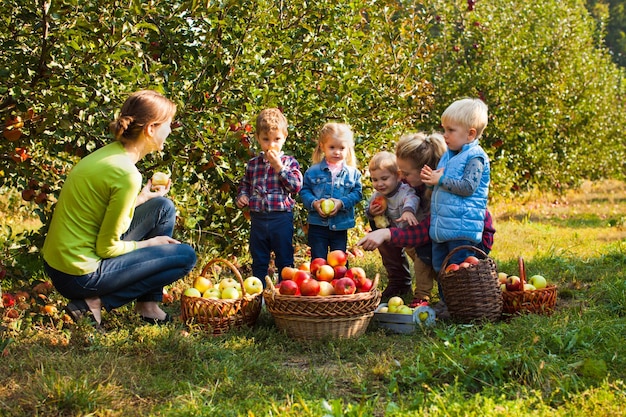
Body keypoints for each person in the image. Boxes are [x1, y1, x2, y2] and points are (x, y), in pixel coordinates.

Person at [42, 90, 197, 327]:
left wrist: (141, 198)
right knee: (185, 256)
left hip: (60, 264)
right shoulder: (127, 174)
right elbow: (107, 247)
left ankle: (148, 305)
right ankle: (93, 303)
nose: (170, 131)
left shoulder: (109, 154)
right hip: (80, 275)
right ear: (151, 129)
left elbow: (98, 212)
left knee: (162, 207)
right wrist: (149, 243)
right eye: (168, 125)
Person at [357, 131, 495, 314]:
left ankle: (454, 296)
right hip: (446, 236)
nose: (402, 178)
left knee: (429, 251)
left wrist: (387, 234)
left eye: (405, 173)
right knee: (383, 224)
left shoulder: (442, 191)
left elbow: (422, 232)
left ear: (425, 170)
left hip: (470, 240)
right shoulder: (416, 186)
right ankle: (404, 281)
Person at [421, 98, 490, 274]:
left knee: (459, 269)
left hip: (462, 228)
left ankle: (459, 302)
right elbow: (442, 186)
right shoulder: (449, 155)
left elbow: (468, 187)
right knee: (441, 268)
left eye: (451, 130)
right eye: (444, 129)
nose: (445, 135)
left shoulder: (475, 157)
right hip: (443, 226)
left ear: (470, 134)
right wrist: (431, 182)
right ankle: (446, 302)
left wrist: (441, 180)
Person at [236, 108, 303, 283]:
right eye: (266, 139)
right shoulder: (253, 164)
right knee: (259, 258)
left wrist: (279, 167)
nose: (271, 144)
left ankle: (284, 293)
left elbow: (295, 186)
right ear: (257, 138)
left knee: (285, 258)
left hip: (281, 218)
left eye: (277, 139)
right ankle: (259, 294)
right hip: (258, 219)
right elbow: (246, 185)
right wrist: (242, 196)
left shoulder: (289, 162)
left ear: (285, 137)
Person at [300, 122, 363, 260]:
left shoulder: (353, 173)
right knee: (318, 260)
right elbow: (304, 191)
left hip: (340, 225)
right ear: (322, 146)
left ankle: (340, 281)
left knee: (339, 259)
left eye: (342, 148)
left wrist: (342, 203)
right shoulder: (312, 172)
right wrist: (315, 203)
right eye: (332, 147)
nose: (337, 152)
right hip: (317, 224)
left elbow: (357, 193)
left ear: (348, 149)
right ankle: (318, 281)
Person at [365, 151, 420, 300]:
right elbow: (367, 209)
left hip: (411, 233)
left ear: (398, 175)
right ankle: (399, 283)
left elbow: (412, 198)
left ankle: (424, 289)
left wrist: (408, 211)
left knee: (421, 261)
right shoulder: (378, 195)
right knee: (392, 258)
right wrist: (370, 211)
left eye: (384, 178)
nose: (379, 184)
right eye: (374, 179)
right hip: (393, 234)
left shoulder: (403, 190)